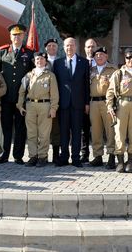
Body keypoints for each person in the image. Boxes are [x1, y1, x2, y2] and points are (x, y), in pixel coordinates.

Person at [0, 24, 34, 164]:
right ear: (10, 36)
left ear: (23, 36)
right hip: (6, 97)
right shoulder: (3, 51)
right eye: (14, 35)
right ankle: (4, 155)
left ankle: (18, 155)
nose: (16, 37)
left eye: (19, 35)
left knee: (20, 127)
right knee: (5, 126)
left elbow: (33, 74)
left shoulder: (29, 53)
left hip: (21, 98)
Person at [17, 51, 59, 167]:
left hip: (45, 106)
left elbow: (54, 94)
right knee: (31, 133)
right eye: (37, 59)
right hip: (30, 106)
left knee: (44, 134)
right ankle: (33, 156)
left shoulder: (50, 75)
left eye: (42, 59)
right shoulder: (28, 75)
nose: (39, 61)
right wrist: (20, 105)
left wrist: (53, 108)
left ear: (46, 61)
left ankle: (42, 157)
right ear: (34, 62)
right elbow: (21, 91)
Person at [53, 37, 90, 167]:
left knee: (76, 132)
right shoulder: (57, 63)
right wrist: (55, 104)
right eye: (67, 46)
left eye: (72, 45)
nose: (70, 48)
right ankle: (64, 157)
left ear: (76, 47)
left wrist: (87, 103)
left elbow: (86, 85)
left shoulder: (84, 63)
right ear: (64, 47)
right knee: (63, 132)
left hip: (78, 104)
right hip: (63, 104)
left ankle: (75, 158)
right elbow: (55, 85)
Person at [106, 48, 132, 173]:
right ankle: (120, 162)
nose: (131, 60)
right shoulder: (118, 73)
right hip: (122, 104)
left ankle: (131, 162)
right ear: (125, 59)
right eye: (128, 57)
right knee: (119, 134)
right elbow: (111, 91)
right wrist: (110, 106)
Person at [88, 47, 118, 168]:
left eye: (102, 54)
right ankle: (97, 156)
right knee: (95, 131)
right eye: (97, 55)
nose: (99, 57)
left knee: (110, 131)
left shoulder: (113, 69)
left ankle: (111, 156)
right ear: (94, 57)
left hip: (107, 103)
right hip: (93, 103)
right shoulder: (91, 69)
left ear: (106, 56)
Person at [44, 38, 61, 164]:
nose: (51, 48)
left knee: (56, 129)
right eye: (49, 46)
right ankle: (42, 155)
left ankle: (56, 155)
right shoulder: (40, 61)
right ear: (45, 48)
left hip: (57, 100)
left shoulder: (62, 62)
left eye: (54, 46)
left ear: (57, 48)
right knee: (42, 129)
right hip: (42, 100)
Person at [81, 38, 98, 162]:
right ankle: (84, 153)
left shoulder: (103, 63)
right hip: (83, 101)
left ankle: (98, 155)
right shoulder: (81, 63)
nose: (90, 49)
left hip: (98, 101)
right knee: (84, 129)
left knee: (98, 130)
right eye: (88, 47)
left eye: (93, 46)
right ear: (84, 49)